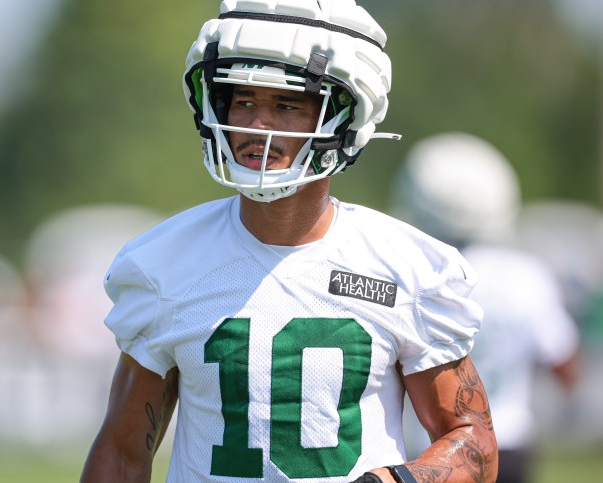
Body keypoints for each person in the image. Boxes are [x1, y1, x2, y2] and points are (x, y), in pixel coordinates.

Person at [81, 1, 498, 481]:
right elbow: (122, 450)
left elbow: (475, 444)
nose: (257, 126)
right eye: (243, 101)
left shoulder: (405, 267)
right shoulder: (164, 264)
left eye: (286, 105)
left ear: (345, 119)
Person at [394, 132, 582, 483]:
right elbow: (565, 365)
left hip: (435, 445)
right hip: (508, 444)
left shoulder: (417, 275)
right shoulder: (526, 276)